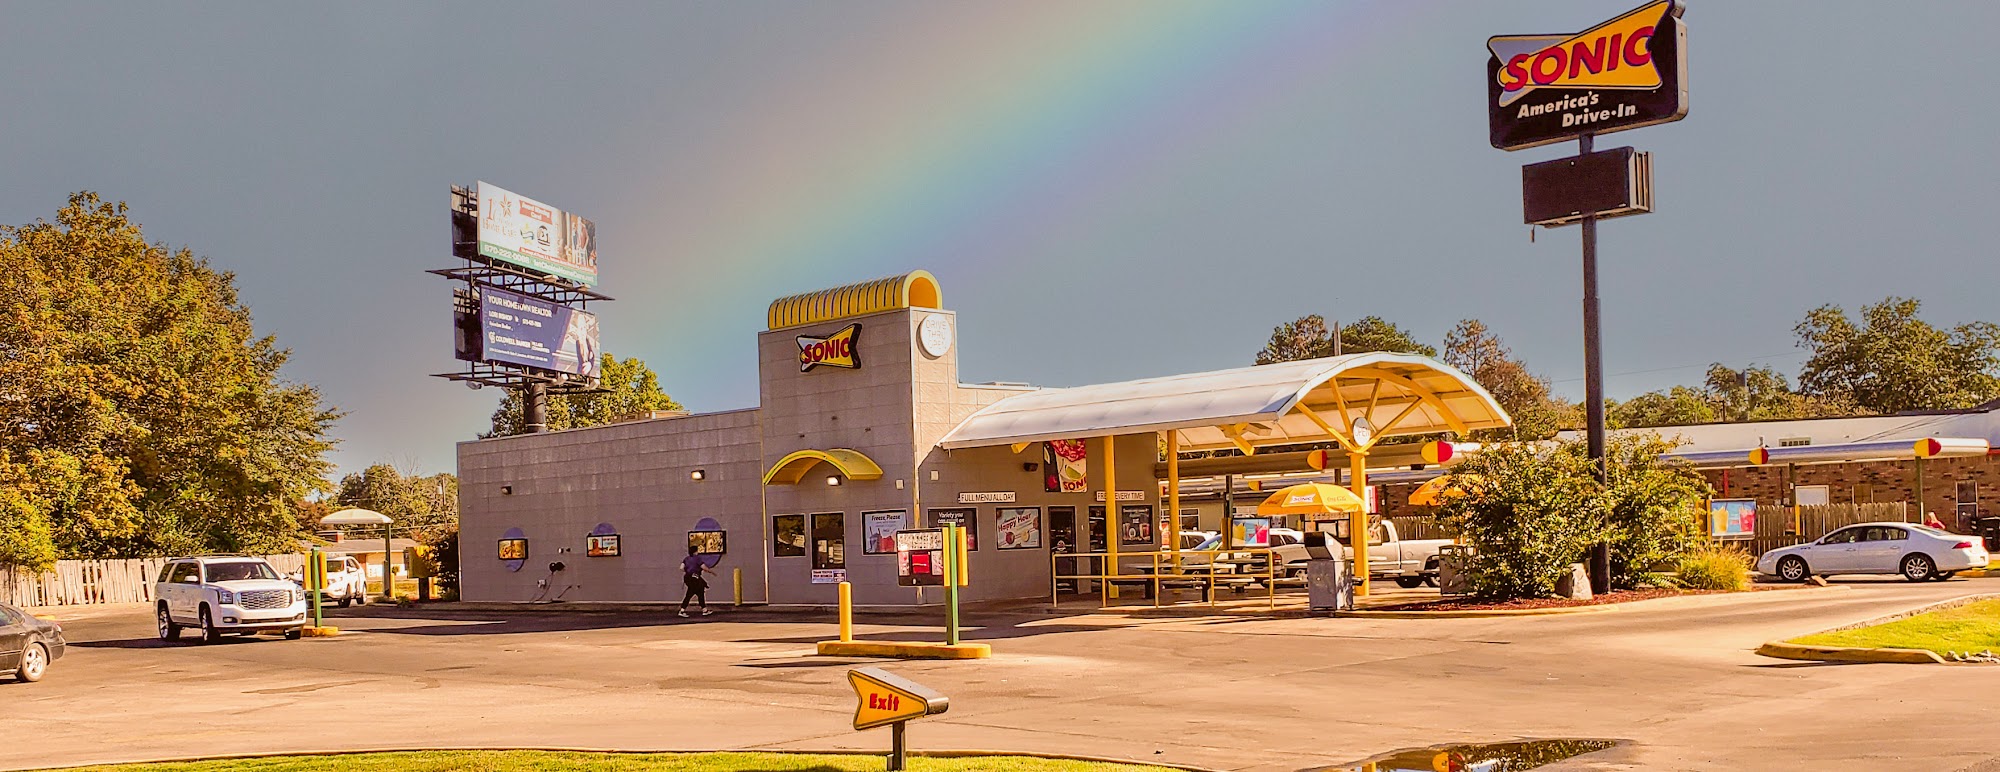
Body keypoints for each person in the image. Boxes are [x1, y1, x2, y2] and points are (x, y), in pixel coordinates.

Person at [679, 545, 716, 618]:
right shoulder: (697, 559)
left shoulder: (686, 559)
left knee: (698, 592)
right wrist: (711, 572)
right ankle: (683, 610)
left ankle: (704, 609)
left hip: (687, 577)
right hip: (695, 577)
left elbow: (681, 568)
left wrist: (687, 571)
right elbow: (704, 567)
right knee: (693, 592)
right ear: (695, 551)